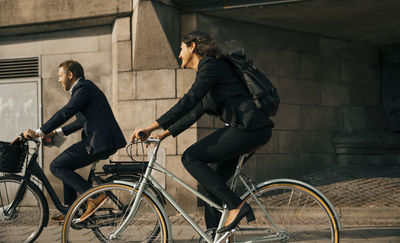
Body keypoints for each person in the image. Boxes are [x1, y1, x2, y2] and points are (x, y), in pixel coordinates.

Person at [131, 31, 274, 234]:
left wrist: (150, 126)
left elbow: (188, 100)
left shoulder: (211, 66)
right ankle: (213, 234)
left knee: (190, 157)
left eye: (181, 49)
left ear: (193, 46)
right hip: (252, 128)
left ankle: (237, 206)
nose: (179, 55)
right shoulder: (211, 73)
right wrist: (163, 134)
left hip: (248, 127)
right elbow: (195, 110)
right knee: (212, 185)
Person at [24, 60, 126, 222]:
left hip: (99, 141)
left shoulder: (83, 88)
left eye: (60, 76)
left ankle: (96, 196)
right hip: (100, 140)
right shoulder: (84, 89)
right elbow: (80, 121)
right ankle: (72, 210)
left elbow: (66, 112)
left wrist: (38, 132)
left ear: (70, 75)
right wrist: (55, 132)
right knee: (65, 165)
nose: (58, 80)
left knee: (56, 165)